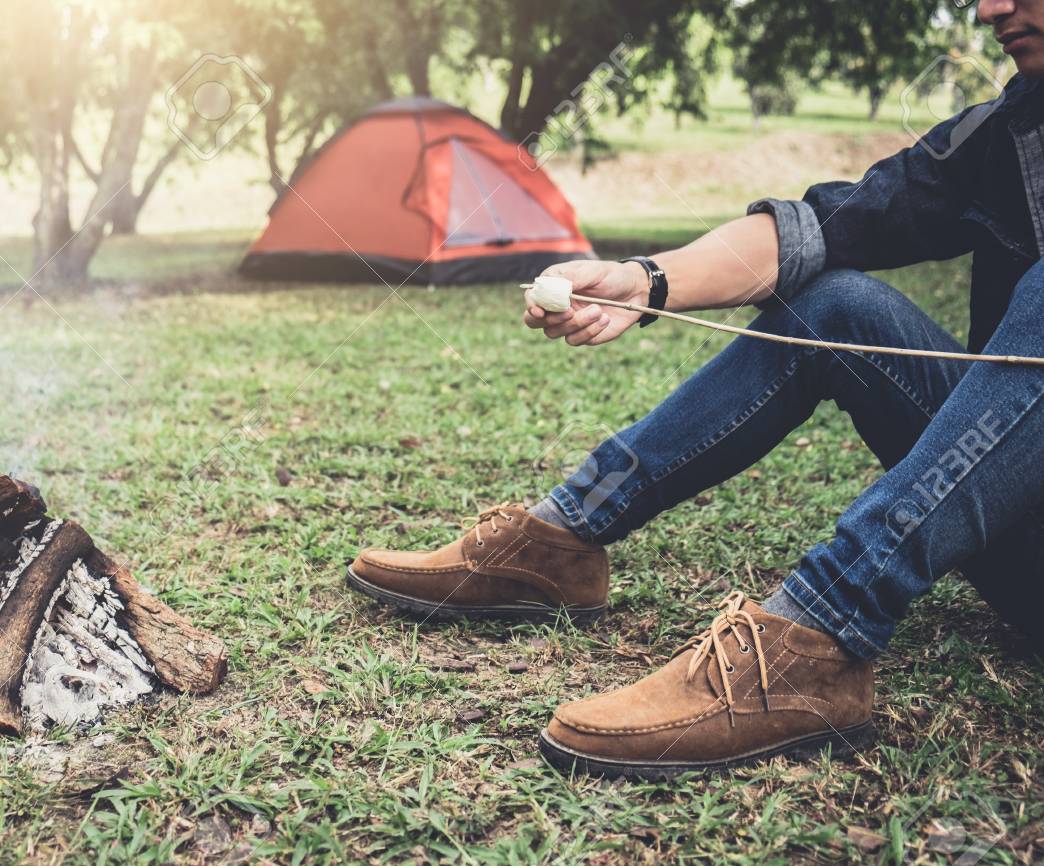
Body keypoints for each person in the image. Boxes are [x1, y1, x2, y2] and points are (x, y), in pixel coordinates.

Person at [346, 0, 1044, 779]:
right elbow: (825, 226)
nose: (990, 8)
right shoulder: (1017, 124)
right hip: (1019, 522)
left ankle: (825, 630)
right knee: (834, 303)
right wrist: (644, 281)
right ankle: (560, 541)